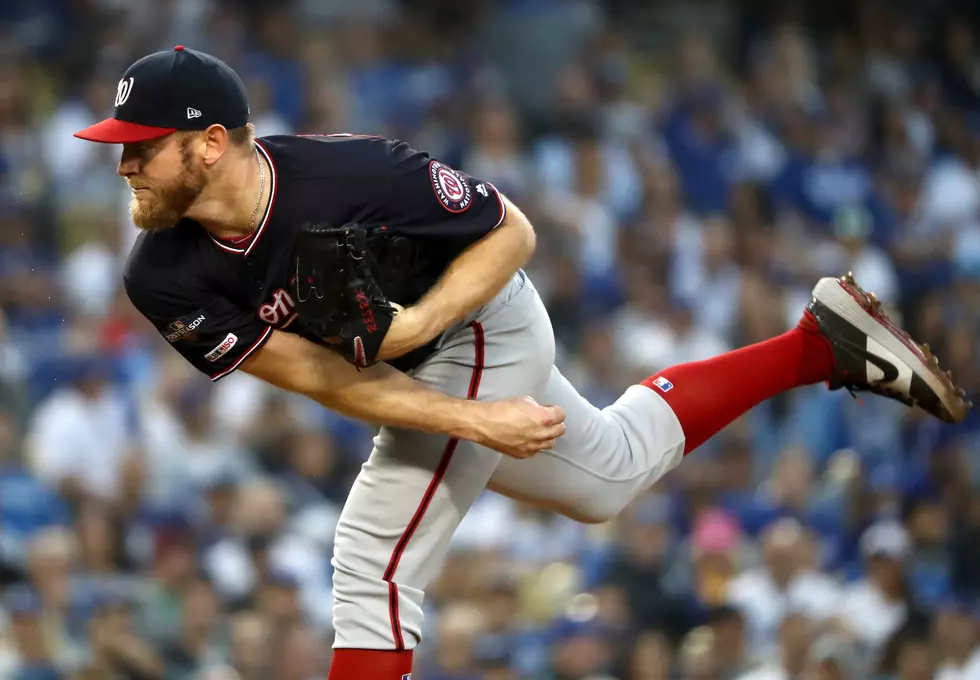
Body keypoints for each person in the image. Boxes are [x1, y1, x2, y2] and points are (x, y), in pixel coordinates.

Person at [74, 46, 971, 680]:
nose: (125, 167)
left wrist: (424, 323)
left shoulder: (352, 174)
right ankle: (818, 344)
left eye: (140, 146)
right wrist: (469, 418)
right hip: (413, 376)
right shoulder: (158, 274)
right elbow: (318, 377)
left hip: (482, 328)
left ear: (211, 143)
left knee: (371, 557)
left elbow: (513, 232)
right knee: (607, 478)